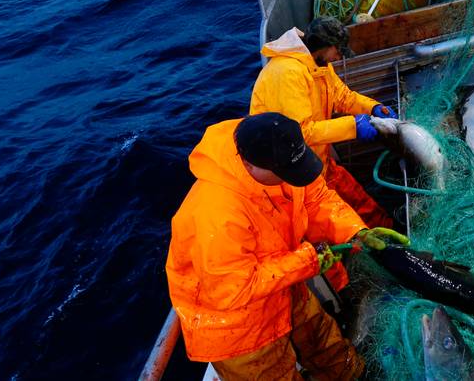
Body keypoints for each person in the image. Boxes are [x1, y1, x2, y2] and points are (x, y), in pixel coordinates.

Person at [166, 112, 408, 380]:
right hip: (237, 327)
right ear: (249, 165)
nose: (295, 178)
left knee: (323, 339)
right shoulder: (215, 214)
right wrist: (307, 261)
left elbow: (316, 199)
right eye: (287, 173)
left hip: (285, 281)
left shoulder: (281, 156)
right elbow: (233, 289)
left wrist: (355, 231)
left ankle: (353, 377)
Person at [250, 16, 398, 231]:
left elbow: (343, 97)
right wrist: (353, 127)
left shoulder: (319, 65)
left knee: (364, 206)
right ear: (324, 47)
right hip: (295, 177)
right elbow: (301, 133)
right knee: (345, 227)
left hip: (321, 162)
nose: (339, 57)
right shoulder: (287, 74)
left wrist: (373, 108)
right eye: (338, 50)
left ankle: (390, 231)